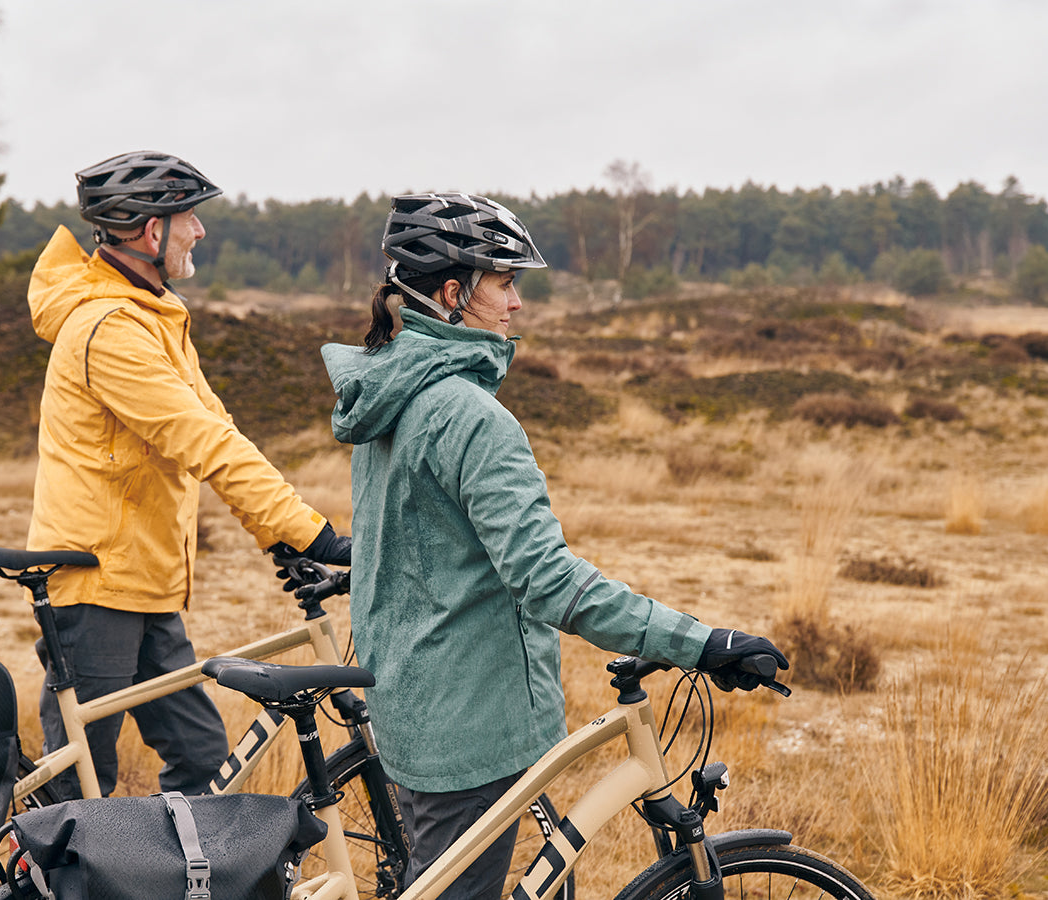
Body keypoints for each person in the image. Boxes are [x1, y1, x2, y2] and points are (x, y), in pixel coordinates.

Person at [315, 192, 788, 899]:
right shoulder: (472, 419)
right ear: (453, 295)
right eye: (505, 284)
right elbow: (548, 582)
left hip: (410, 713)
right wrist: (701, 642)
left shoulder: (389, 394)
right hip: (467, 734)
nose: (517, 304)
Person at [26, 150, 351, 799]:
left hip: (145, 585)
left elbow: (219, 428)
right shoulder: (109, 329)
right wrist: (314, 535)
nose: (200, 232)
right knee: (79, 789)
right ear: (153, 231)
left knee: (204, 766)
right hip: (96, 590)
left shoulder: (155, 316)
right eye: (190, 219)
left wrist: (276, 538)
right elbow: (203, 443)